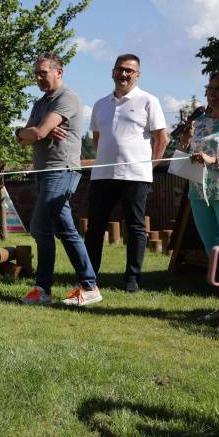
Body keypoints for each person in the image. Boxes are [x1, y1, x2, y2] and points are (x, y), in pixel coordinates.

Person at [16, 53, 101, 307]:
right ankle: (89, 286)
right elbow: (22, 136)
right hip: (43, 172)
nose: (38, 78)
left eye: (43, 73)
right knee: (66, 230)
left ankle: (43, 288)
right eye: (36, 74)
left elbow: (38, 132)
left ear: (59, 72)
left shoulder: (67, 98)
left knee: (40, 227)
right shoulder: (40, 103)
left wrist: (37, 131)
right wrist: (26, 132)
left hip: (61, 170)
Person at [86, 54, 168, 292]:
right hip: (102, 176)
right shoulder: (100, 104)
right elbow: (97, 138)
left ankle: (132, 279)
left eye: (129, 71)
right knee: (95, 227)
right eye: (120, 69)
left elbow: (161, 138)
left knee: (135, 227)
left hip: (135, 175)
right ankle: (89, 276)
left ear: (137, 75)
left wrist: (149, 166)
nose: (124, 74)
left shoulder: (149, 101)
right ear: (113, 71)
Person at [177, 69, 219, 331]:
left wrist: (215, 160)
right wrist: (185, 143)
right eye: (209, 87)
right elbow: (189, 155)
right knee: (214, 251)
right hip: (199, 193)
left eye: (218, 88)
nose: (211, 93)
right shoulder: (202, 121)